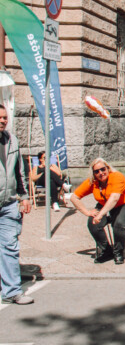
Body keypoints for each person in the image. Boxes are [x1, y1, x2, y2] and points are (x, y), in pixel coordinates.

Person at [69, 159, 125, 264]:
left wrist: (100, 215)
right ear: (93, 174)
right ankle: (106, 250)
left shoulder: (117, 176)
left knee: (119, 223)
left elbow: (114, 198)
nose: (101, 173)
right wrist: (87, 212)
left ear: (108, 168)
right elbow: (74, 197)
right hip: (105, 203)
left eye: (103, 169)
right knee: (93, 223)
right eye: (97, 171)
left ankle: (118, 252)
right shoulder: (93, 182)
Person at [0, 104, 34, 305]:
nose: (3, 120)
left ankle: (12, 291)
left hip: (8, 203)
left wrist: (24, 196)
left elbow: (19, 172)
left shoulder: (12, 141)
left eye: (4, 117)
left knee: (10, 246)